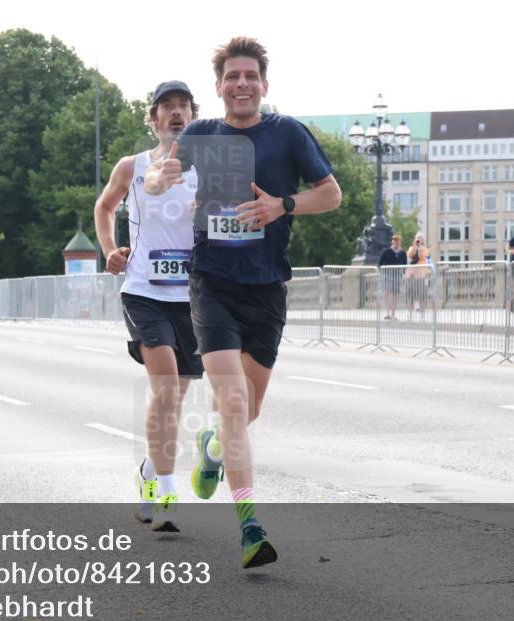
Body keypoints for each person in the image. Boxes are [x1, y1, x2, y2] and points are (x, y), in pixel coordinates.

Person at [146, 37, 342, 567]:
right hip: (212, 283)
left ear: (263, 84)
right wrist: (159, 176)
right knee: (232, 402)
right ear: (219, 87)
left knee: (244, 412)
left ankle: (211, 448)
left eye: (250, 76)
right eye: (232, 77)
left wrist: (284, 206)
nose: (241, 84)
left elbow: (332, 193)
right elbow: (156, 173)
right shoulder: (202, 134)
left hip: (267, 289)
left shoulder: (288, 133)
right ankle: (250, 526)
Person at [95, 80, 202, 532]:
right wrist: (109, 248)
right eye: (167, 107)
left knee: (176, 395)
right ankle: (165, 492)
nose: (175, 113)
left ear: (194, 115)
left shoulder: (211, 166)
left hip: (195, 296)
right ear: (153, 118)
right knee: (163, 388)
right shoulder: (132, 166)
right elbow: (104, 208)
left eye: (183, 106)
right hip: (144, 290)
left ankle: (148, 472)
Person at [378, 234, 407, 320]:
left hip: (396, 275)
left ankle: (393, 314)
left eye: (398, 241)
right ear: (392, 241)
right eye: (394, 240)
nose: (396, 242)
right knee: (386, 293)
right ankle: (387, 313)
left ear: (400, 242)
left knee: (394, 295)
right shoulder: (386, 251)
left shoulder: (402, 253)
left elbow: (404, 265)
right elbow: (380, 263)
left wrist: (403, 275)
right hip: (387, 274)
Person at [404, 232, 431, 317]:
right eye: (417, 238)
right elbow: (410, 255)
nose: (419, 240)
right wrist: (415, 247)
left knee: (422, 294)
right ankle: (410, 313)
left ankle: (422, 313)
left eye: (420, 238)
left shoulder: (426, 249)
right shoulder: (411, 248)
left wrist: (428, 274)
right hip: (412, 275)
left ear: (423, 240)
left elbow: (424, 259)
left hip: (422, 274)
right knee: (410, 294)